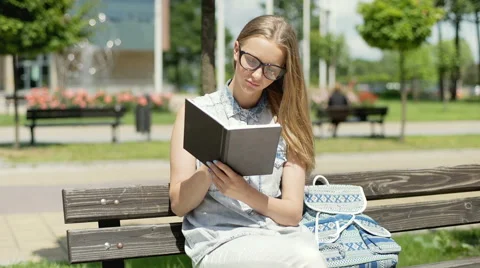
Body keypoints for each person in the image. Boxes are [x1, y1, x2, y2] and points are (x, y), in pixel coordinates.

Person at [169, 15, 327, 268]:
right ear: (236, 50)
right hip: (220, 240)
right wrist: (209, 170)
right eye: (251, 61)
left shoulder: (286, 120)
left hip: (279, 237)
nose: (256, 75)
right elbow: (178, 204)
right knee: (305, 261)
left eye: (271, 70)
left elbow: (292, 213)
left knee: (305, 257)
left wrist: (243, 192)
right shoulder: (195, 113)